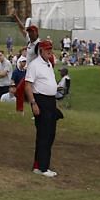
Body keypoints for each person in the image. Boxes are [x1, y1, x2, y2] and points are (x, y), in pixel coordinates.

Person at [25, 38, 62, 177]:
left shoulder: (49, 64)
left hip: (50, 101)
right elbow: (28, 85)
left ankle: (39, 163)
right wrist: (33, 103)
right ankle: (42, 166)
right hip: (41, 100)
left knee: (50, 133)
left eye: (50, 49)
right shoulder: (35, 65)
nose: (50, 52)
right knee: (44, 133)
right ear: (41, 50)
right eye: (47, 50)